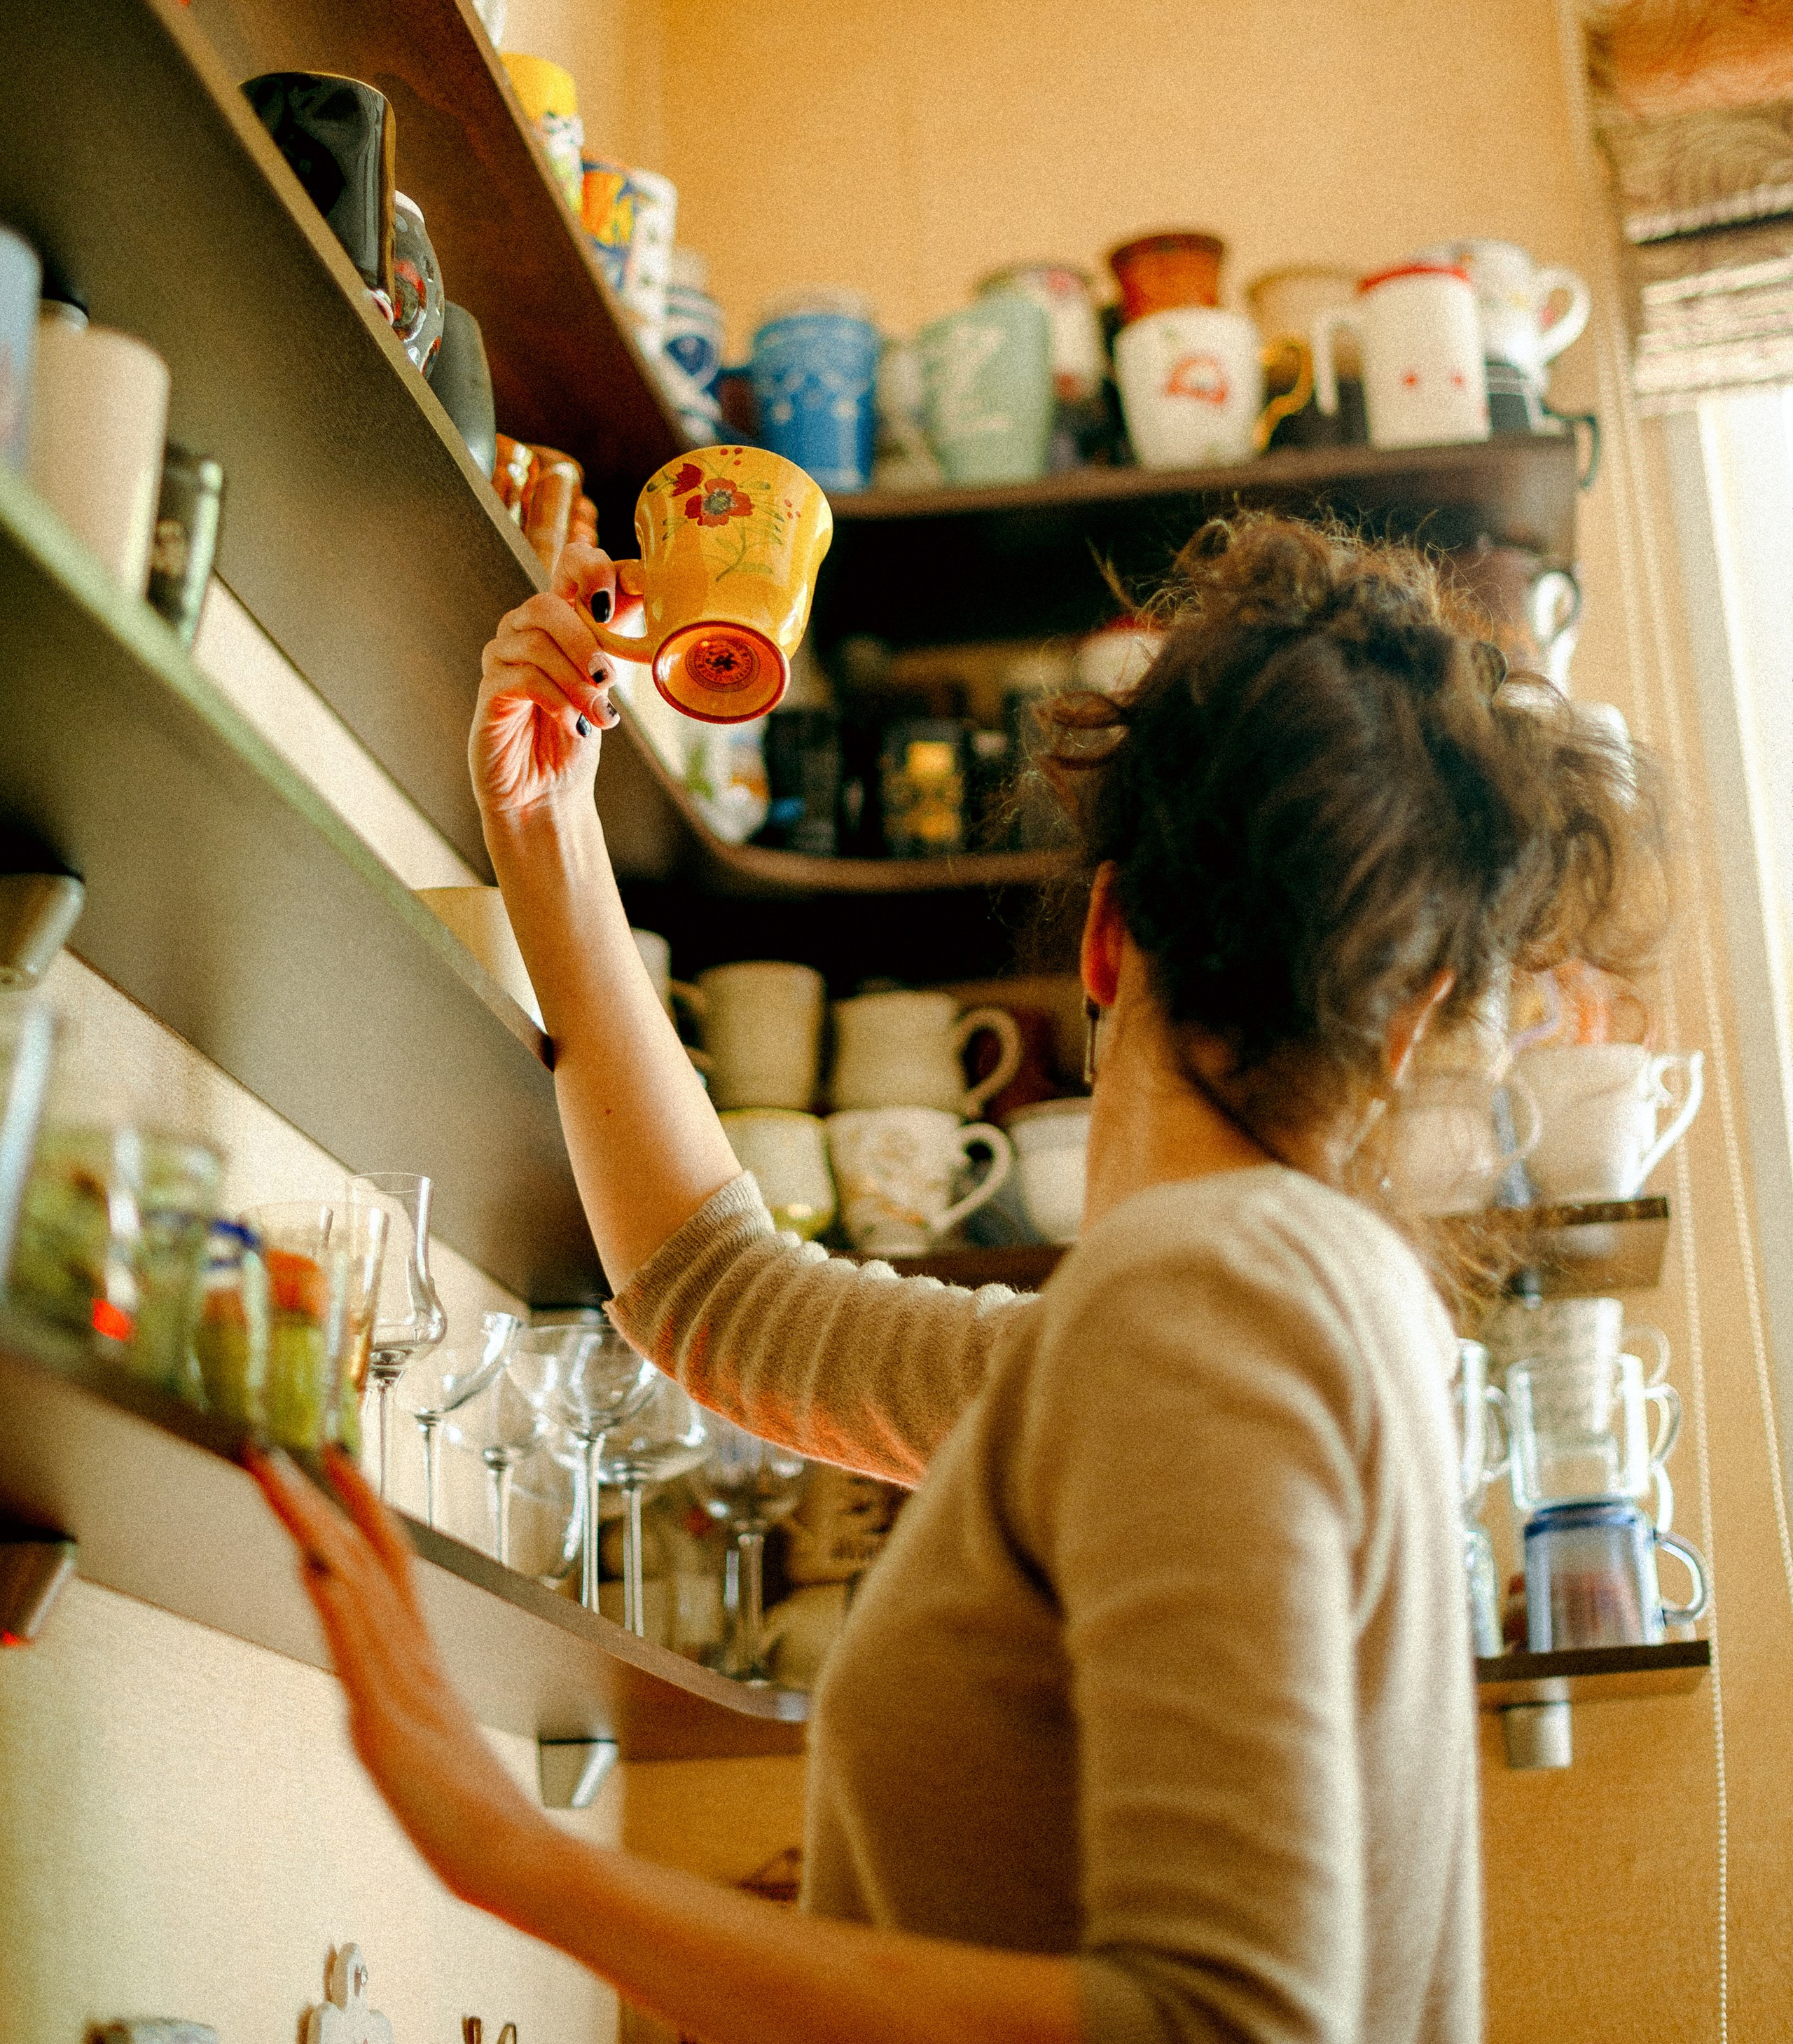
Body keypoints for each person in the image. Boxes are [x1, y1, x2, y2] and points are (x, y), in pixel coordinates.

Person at [255, 514, 1664, 2044]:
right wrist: (544, 835)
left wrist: (509, 1854)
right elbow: (719, 1302)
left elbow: (1218, 2025)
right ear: (1410, 1027)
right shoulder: (1220, 1319)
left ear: (1107, 939)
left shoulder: (1209, 1298)